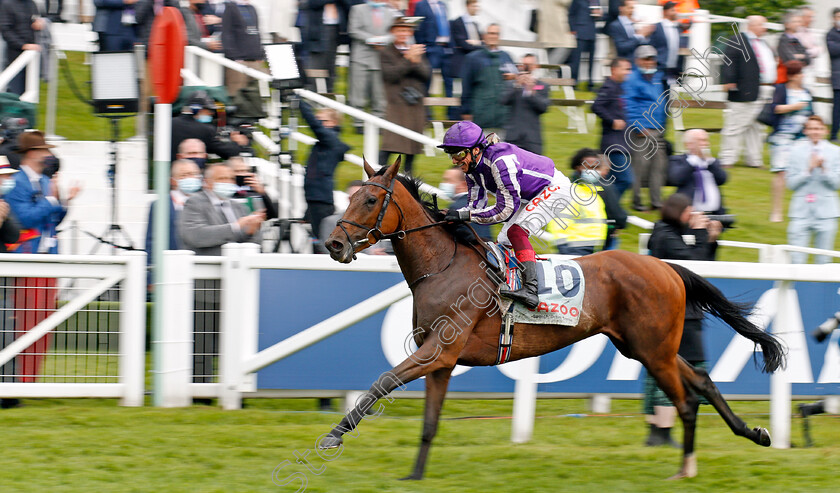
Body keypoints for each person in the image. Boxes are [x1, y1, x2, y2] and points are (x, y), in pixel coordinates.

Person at [437, 121, 572, 309]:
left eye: (459, 154)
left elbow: (504, 210)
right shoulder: (472, 170)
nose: (454, 161)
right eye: (451, 155)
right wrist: (450, 215)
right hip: (529, 194)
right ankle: (511, 285)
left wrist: (464, 216)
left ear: (476, 150)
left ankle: (531, 290)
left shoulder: (501, 162)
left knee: (516, 232)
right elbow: (475, 206)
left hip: (555, 189)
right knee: (503, 240)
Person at [179, 162, 265, 388]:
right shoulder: (195, 202)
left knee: (235, 341)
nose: (228, 182)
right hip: (206, 286)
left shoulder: (238, 206)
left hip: (236, 285)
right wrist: (236, 227)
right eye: (222, 178)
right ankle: (200, 389)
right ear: (207, 182)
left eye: (230, 178)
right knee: (203, 343)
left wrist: (251, 229)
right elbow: (195, 235)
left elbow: (254, 240)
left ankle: (235, 386)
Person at [644, 192, 720, 446]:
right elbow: (693, 266)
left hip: (679, 311)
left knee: (663, 372)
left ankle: (658, 432)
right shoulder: (665, 236)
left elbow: (704, 266)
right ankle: (662, 432)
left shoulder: (667, 233)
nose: (693, 215)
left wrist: (711, 240)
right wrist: (700, 234)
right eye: (689, 210)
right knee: (680, 374)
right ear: (678, 211)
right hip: (677, 314)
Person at [5, 131, 80, 385]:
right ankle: (21, 380)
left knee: (43, 321)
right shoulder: (16, 183)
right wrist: (51, 200)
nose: (49, 155)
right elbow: (24, 219)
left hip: (47, 258)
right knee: (26, 321)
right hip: (27, 260)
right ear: (31, 154)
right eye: (44, 150)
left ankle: (30, 380)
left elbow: (52, 220)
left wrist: (64, 201)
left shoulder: (45, 182)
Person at [719, 15, 776, 169]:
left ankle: (754, 160)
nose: (765, 28)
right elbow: (728, 61)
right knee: (735, 125)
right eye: (762, 25)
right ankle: (727, 158)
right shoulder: (738, 40)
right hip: (744, 90)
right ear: (752, 25)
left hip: (764, 88)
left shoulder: (763, 43)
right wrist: (729, 80)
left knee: (757, 127)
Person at [379, 16, 431, 175]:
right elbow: (391, 75)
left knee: (411, 148)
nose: (403, 33)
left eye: (406, 30)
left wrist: (415, 60)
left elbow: (426, 74)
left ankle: (408, 179)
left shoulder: (414, 49)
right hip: (396, 105)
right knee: (389, 146)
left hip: (415, 105)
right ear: (393, 32)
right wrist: (408, 59)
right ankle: (377, 174)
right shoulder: (386, 52)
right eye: (400, 30)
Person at [785, 116, 840, 264]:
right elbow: (791, 184)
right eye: (812, 128)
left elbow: (836, 184)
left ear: (825, 131)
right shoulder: (795, 152)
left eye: (819, 128)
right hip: (800, 212)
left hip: (827, 213)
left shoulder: (836, 152)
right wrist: (808, 169)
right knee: (796, 257)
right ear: (806, 131)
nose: (816, 132)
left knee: (824, 258)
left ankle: (821, 287)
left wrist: (824, 169)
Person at [298, 100, 349, 249]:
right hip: (315, 200)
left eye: (323, 121)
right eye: (318, 120)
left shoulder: (331, 139)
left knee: (323, 241)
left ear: (333, 122)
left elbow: (315, 126)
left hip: (320, 200)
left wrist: (301, 104)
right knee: (319, 238)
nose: (319, 123)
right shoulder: (325, 142)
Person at [144, 159, 202, 288]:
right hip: (170, 272)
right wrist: (150, 278)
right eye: (184, 175)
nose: (190, 178)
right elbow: (151, 242)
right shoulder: (160, 205)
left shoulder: (207, 203)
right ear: (173, 180)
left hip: (200, 271)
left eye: (194, 174)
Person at [623, 44, 667, 212]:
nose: (650, 62)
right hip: (641, 131)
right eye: (646, 59)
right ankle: (636, 200)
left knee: (659, 166)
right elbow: (629, 104)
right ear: (638, 60)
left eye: (652, 58)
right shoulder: (632, 79)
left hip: (657, 129)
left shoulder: (657, 77)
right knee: (639, 167)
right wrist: (638, 126)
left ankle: (656, 201)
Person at [768, 60, 812, 223]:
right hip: (782, 138)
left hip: (802, 139)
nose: (803, 76)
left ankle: (805, 210)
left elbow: (811, 114)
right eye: (800, 73)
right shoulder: (781, 89)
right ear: (793, 76)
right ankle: (776, 211)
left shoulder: (807, 92)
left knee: (806, 173)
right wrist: (795, 106)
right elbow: (775, 108)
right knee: (781, 173)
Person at [547, 148, 611, 256]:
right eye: (588, 167)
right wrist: (564, 249)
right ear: (577, 168)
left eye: (596, 167)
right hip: (574, 249)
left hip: (591, 248)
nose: (592, 170)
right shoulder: (570, 192)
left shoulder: (594, 193)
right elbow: (559, 222)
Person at [347, 0, 398, 132]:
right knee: (358, 91)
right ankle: (358, 123)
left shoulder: (390, 12)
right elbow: (353, 30)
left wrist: (384, 40)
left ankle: (379, 122)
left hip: (381, 57)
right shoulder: (357, 9)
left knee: (379, 93)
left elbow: (395, 32)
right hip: (361, 57)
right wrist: (371, 39)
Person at [460, 24, 516, 138]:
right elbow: (466, 87)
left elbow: (514, 85)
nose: (493, 36)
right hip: (482, 116)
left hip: (503, 117)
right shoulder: (473, 58)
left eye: (495, 33)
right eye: (490, 33)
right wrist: (466, 111)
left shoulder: (506, 57)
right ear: (484, 36)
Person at [591, 57, 632, 199]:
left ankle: (607, 208)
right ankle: (609, 206)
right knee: (625, 180)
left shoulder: (619, 88)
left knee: (611, 181)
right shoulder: (608, 87)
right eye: (625, 69)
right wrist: (612, 121)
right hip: (612, 143)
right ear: (614, 70)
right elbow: (596, 106)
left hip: (621, 142)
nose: (628, 72)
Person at [170, 92, 247, 163]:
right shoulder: (205, 130)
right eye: (208, 110)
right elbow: (229, 152)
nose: (211, 113)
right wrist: (237, 143)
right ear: (197, 110)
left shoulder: (169, 123)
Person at [0, 157, 21, 409]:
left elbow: (13, 234)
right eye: (4, 177)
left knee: (5, 334)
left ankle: (9, 392)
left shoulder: (5, 204)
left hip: (3, 280)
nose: (8, 181)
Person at [668, 129, 728, 215]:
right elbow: (675, 178)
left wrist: (710, 162)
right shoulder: (678, 160)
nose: (706, 144)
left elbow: (722, 179)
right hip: (689, 213)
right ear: (688, 144)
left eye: (706, 140)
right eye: (701, 140)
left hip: (714, 213)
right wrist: (692, 162)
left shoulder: (712, 162)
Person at [500, 54, 550, 155]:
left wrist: (531, 91)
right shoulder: (511, 84)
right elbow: (503, 100)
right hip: (513, 136)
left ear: (536, 66)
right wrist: (517, 85)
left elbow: (543, 107)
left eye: (530, 64)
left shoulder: (542, 86)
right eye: (524, 64)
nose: (526, 67)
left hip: (532, 137)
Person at [221, 0, 266, 97]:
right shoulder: (230, 7)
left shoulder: (252, 8)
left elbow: (257, 32)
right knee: (237, 94)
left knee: (255, 94)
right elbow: (226, 34)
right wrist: (234, 57)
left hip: (255, 59)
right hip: (238, 61)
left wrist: (260, 55)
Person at [413, 0, 454, 104]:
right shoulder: (422, 5)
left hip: (446, 48)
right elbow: (418, 27)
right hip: (432, 48)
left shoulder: (443, 5)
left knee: (449, 82)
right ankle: (426, 114)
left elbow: (446, 24)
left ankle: (452, 114)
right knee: (427, 80)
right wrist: (424, 46)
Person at [0, 0, 44, 96]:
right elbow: (5, 31)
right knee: (15, 93)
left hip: (31, 56)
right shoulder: (7, 4)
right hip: (14, 56)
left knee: (30, 91)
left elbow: (36, 22)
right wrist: (23, 45)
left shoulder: (32, 4)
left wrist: (38, 25)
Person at [439, 167, 492, 242]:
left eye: (448, 181)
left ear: (463, 184)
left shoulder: (455, 207)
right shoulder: (484, 204)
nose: (444, 184)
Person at [450, 0, 482, 93]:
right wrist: (477, 44)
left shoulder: (475, 24)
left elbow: (483, 44)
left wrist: (474, 43)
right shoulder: (457, 22)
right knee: (459, 92)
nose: (477, 8)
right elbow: (463, 44)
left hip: (474, 63)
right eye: (475, 6)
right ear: (468, 6)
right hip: (462, 63)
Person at [567, 0, 600, 90]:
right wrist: (573, 29)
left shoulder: (596, 1)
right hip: (580, 33)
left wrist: (599, 15)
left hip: (591, 33)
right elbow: (571, 14)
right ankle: (574, 82)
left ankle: (590, 83)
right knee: (576, 60)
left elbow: (597, 16)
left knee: (591, 60)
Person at [649, 1, 683, 86]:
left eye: (676, 10)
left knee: (670, 95)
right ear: (665, 12)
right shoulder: (657, 27)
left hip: (673, 70)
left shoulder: (677, 28)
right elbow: (651, 46)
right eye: (673, 10)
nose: (676, 12)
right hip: (659, 68)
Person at [537, 0, 576, 71]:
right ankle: (547, 73)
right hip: (557, 25)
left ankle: (548, 73)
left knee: (550, 53)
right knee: (566, 46)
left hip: (547, 26)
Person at [776, 10, 810, 85]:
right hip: (785, 81)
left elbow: (808, 59)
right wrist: (802, 56)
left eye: (799, 21)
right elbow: (791, 60)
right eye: (795, 22)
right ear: (787, 24)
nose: (798, 24)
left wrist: (799, 56)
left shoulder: (796, 40)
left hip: (796, 81)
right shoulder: (783, 40)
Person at [828, 8, 840, 143]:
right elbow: (834, 50)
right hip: (838, 78)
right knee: (837, 109)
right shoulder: (831, 34)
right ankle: (833, 134)